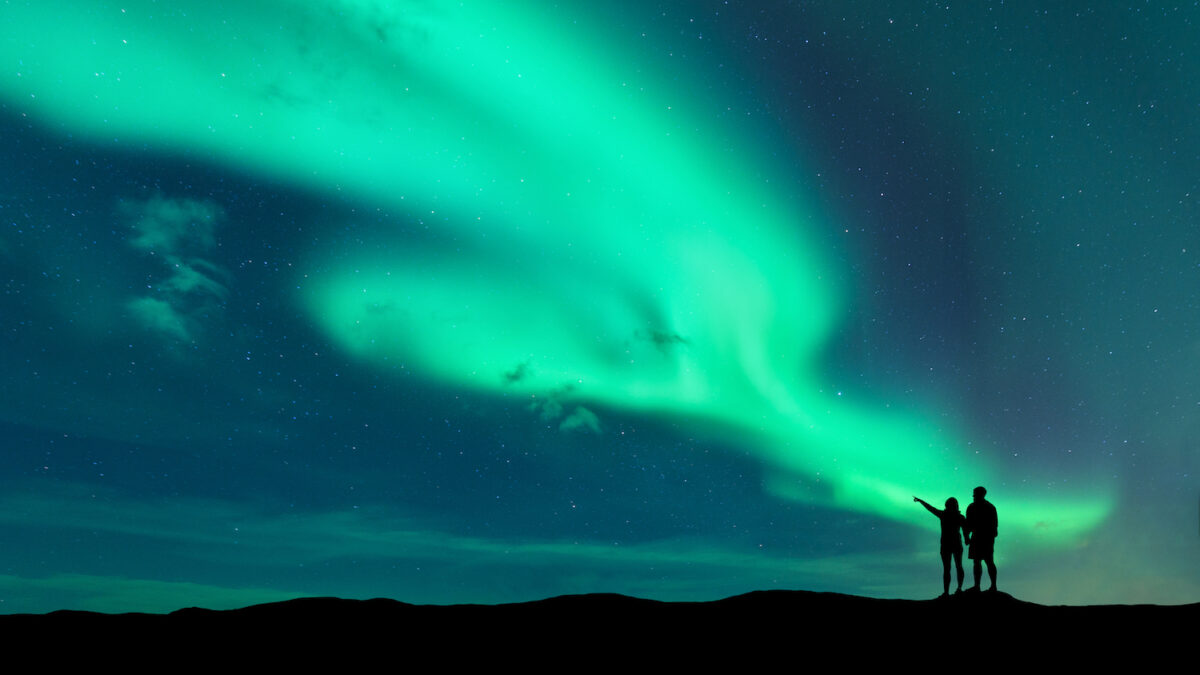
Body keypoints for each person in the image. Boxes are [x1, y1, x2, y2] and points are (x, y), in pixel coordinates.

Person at [913, 495, 968, 597]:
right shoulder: (958, 517)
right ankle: (957, 589)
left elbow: (930, 508)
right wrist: (966, 539)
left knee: (949, 568)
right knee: (957, 566)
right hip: (953, 544)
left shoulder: (944, 515)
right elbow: (965, 530)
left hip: (948, 544)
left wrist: (921, 501)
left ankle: (949, 591)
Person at [965, 486, 998, 592]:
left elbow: (994, 527)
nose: (973, 496)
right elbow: (968, 524)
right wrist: (967, 536)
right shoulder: (988, 507)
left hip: (984, 538)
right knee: (981, 561)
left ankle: (988, 586)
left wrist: (967, 536)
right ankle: (980, 586)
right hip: (981, 538)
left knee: (986, 561)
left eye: (975, 493)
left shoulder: (988, 507)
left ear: (981, 494)